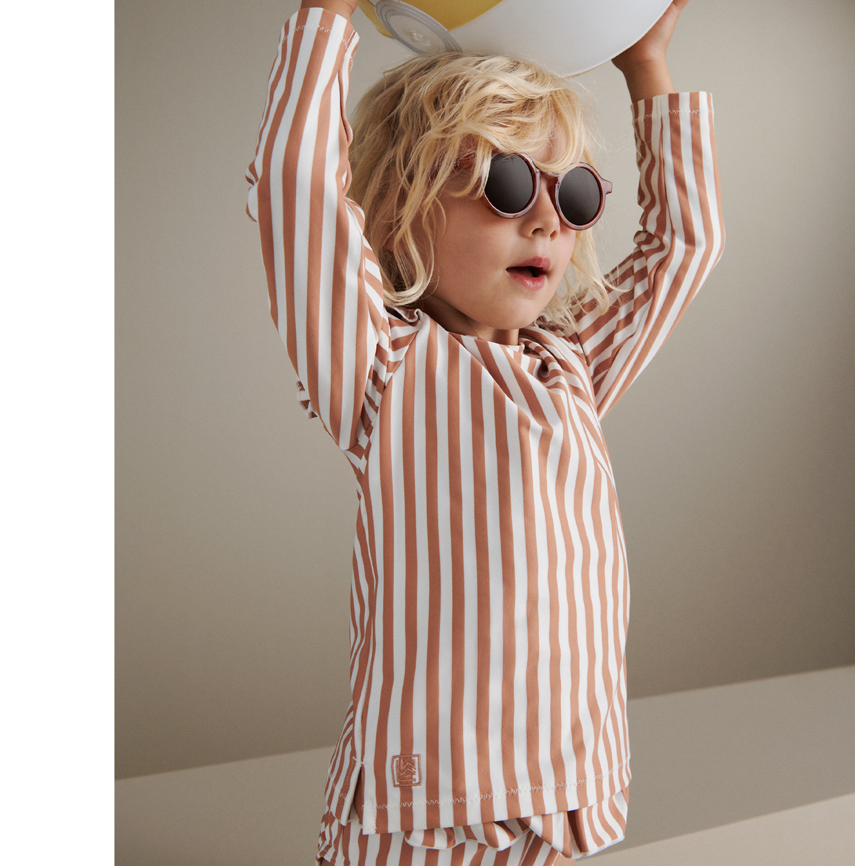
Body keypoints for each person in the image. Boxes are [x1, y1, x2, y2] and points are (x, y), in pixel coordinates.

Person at [246, 0, 723, 862]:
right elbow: (298, 188)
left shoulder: (572, 367)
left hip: (569, 790)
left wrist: (646, 65)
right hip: (430, 808)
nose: (546, 221)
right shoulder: (379, 365)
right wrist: (327, 14)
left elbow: (684, 245)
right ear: (399, 206)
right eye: (507, 185)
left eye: (574, 195)